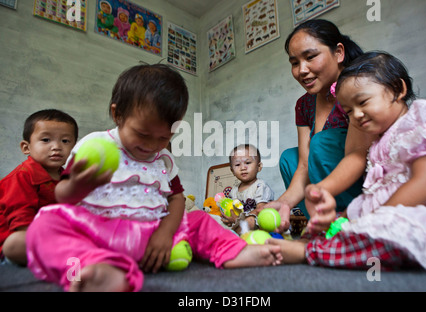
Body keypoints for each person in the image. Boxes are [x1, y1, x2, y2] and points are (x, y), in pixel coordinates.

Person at [26, 64, 282, 292]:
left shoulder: (163, 160)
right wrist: (79, 185)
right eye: (142, 134)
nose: (151, 146)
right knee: (44, 226)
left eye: (163, 138)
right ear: (117, 115)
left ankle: (234, 252)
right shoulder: (94, 145)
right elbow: (61, 196)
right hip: (97, 234)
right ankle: (96, 270)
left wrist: (165, 233)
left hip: (149, 237)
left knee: (200, 218)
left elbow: (177, 199)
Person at [268, 51, 426, 275]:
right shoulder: (376, 138)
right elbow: (361, 171)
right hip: (374, 210)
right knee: (329, 226)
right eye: (349, 112)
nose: (358, 115)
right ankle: (312, 243)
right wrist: (329, 201)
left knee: (390, 239)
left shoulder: (419, 121)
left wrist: (379, 218)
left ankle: (310, 252)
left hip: (418, 212)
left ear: (398, 89)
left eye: (363, 102)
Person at [268, 19, 376, 230]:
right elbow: (304, 164)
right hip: (326, 185)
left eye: (310, 57)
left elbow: (366, 151)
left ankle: (346, 218)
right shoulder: (303, 105)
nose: (302, 70)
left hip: (366, 177)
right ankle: (320, 218)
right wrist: (283, 203)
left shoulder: (359, 88)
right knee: (290, 158)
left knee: (321, 142)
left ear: (338, 53)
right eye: (294, 63)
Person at [0, 109, 78, 266]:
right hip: (17, 238)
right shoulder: (22, 176)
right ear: (26, 147)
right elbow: (20, 219)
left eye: (65, 141)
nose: (56, 147)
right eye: (46, 140)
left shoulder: (69, 178)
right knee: (17, 241)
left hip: (50, 237)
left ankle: (69, 266)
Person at [221, 144, 275, 234]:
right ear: (232, 171)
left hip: (259, 222)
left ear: (259, 167)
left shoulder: (260, 186)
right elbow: (231, 211)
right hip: (238, 222)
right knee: (219, 221)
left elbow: (260, 209)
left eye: (248, 163)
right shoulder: (233, 191)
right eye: (237, 164)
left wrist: (239, 220)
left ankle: (236, 234)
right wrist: (229, 219)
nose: (243, 168)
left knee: (250, 220)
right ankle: (230, 236)